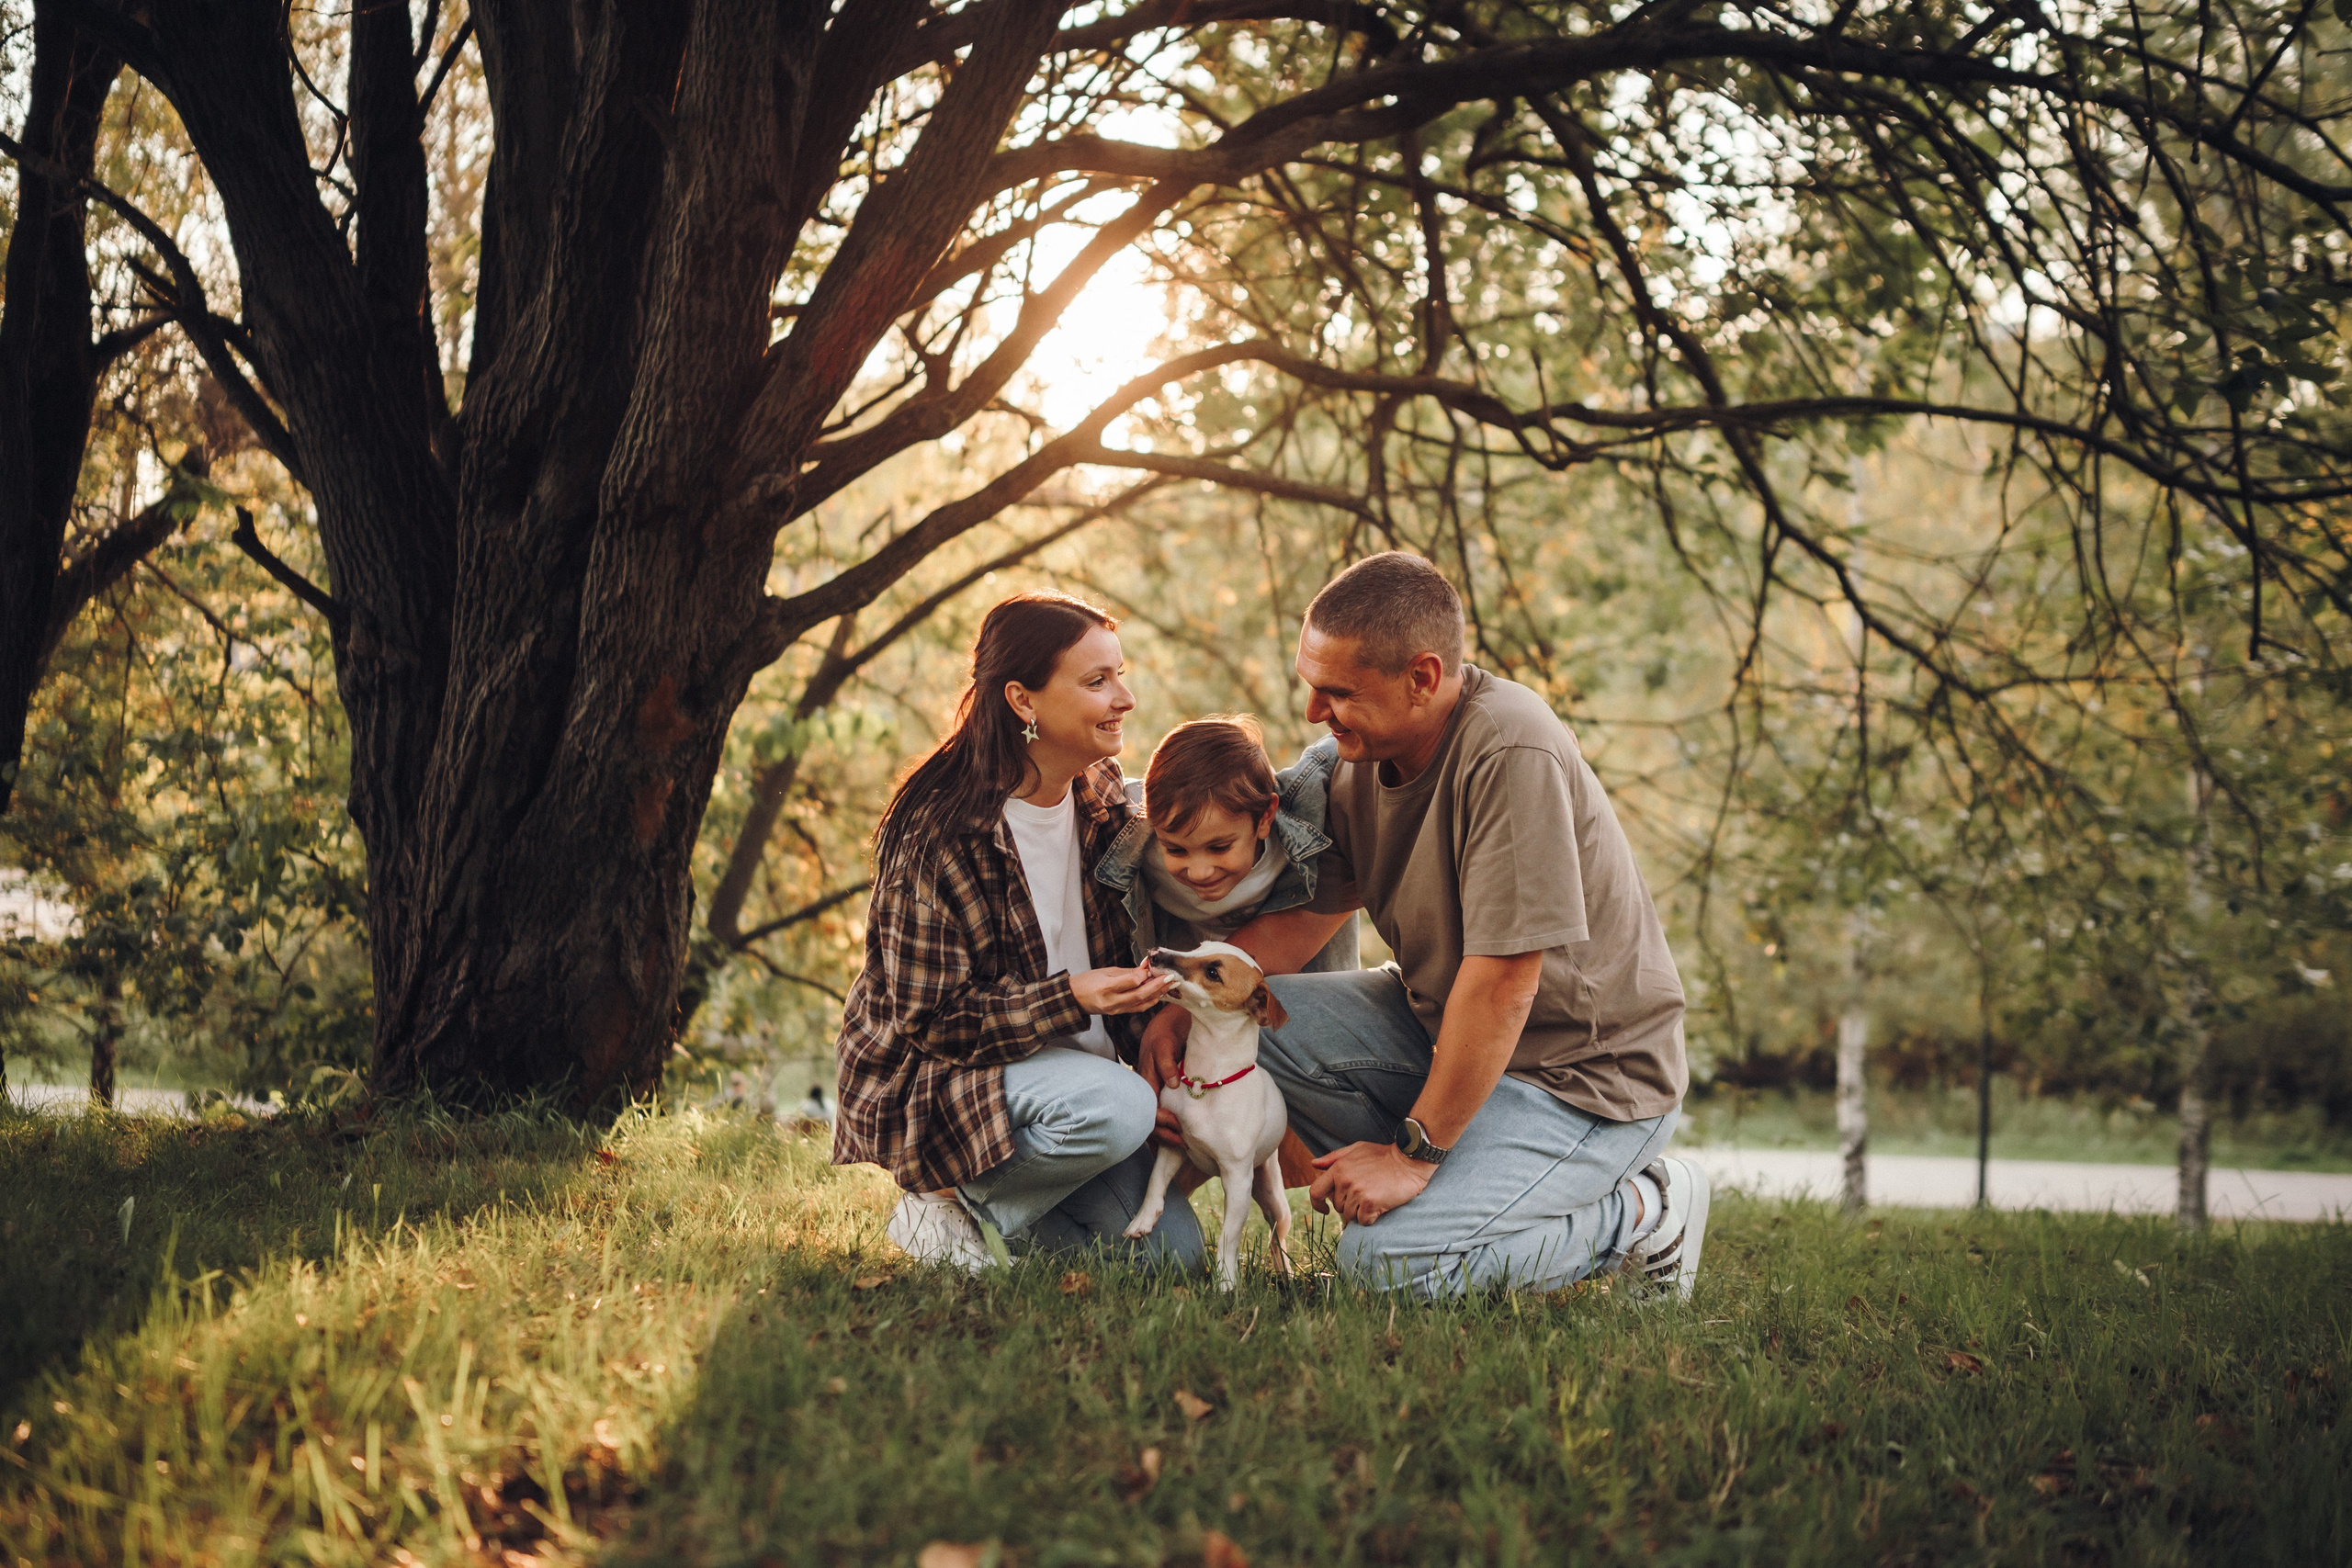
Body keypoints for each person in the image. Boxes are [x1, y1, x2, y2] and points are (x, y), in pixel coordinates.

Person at [1140, 552, 1708, 1299]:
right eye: (1311, 684)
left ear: (1423, 676)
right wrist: (1177, 1010)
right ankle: (1439, 1198)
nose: (1313, 710)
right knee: (1265, 1022)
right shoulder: (1352, 761)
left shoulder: (1511, 748)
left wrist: (1414, 1155)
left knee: (1388, 1269)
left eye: (1336, 691)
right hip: (1449, 1039)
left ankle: (1643, 1210)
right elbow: (1300, 925)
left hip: (1584, 1079)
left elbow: (1505, 983)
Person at [831, 592, 1202, 1273]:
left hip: (1067, 1090)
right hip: (949, 1078)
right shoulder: (940, 831)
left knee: (1171, 1260)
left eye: (1121, 673)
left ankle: (986, 1230)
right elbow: (932, 1018)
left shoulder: (1100, 796)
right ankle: (936, 1196)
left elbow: (1208, 809)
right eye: (1097, 681)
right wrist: (1074, 996)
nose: (1125, 697)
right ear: (1023, 701)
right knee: (1121, 1108)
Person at [1092, 715, 1358, 974]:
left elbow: (1335, 757)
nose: (1199, 872)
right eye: (1175, 850)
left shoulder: (1299, 832)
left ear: (1265, 817)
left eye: (1219, 848)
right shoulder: (1141, 839)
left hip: (1292, 977)